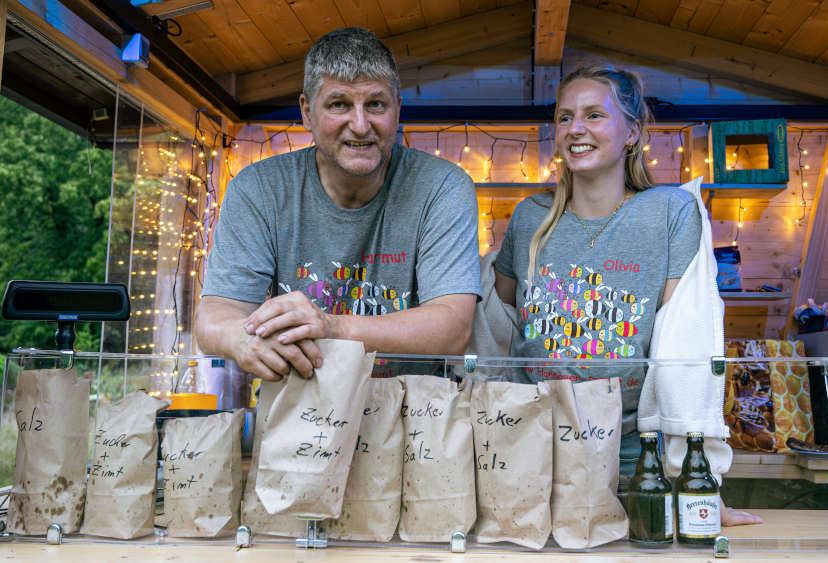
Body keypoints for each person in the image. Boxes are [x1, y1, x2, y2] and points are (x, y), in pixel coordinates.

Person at [493, 65, 760, 526]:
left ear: (632, 132)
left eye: (594, 115)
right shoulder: (529, 218)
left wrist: (699, 481)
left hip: (634, 452)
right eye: (564, 118)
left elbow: (683, 344)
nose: (575, 129)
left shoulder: (671, 212)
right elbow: (498, 321)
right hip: (531, 444)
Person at [195, 27, 481, 381]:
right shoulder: (258, 189)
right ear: (306, 112)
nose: (360, 126)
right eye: (339, 104)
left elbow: (453, 328)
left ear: (397, 108)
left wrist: (330, 327)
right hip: (296, 414)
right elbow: (213, 317)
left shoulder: (443, 187)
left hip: (415, 418)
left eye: (376, 104)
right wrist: (241, 339)